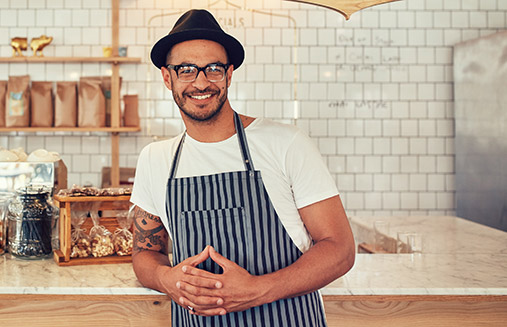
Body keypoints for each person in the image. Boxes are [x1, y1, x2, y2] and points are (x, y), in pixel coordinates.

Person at [129, 9, 355, 326]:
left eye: (214, 69)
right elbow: (144, 253)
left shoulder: (286, 143)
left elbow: (340, 249)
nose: (201, 82)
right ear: (168, 77)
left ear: (229, 74)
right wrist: (167, 280)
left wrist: (257, 290)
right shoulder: (155, 159)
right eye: (186, 70)